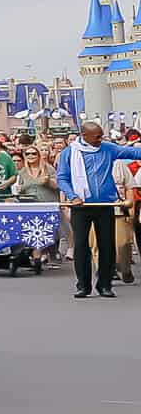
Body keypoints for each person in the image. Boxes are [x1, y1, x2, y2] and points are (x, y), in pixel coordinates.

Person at [55, 119, 141, 298]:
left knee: (107, 245)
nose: (100, 139)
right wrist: (72, 196)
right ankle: (83, 286)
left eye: (101, 136)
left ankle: (105, 284)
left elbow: (131, 152)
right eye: (97, 137)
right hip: (81, 205)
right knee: (81, 246)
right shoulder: (69, 153)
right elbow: (62, 178)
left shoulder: (108, 148)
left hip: (105, 205)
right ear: (84, 136)